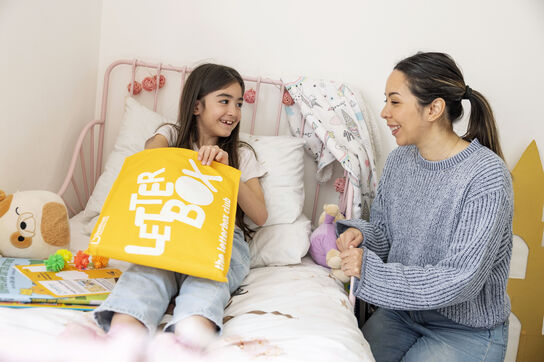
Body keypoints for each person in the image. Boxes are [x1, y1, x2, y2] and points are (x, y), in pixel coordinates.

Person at [337, 52, 512, 362]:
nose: (383, 112)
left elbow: (461, 280)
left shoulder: (487, 175)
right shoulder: (399, 160)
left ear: (433, 108)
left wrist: (372, 273)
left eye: (394, 101)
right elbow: (387, 236)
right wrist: (361, 236)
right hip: (403, 314)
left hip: (465, 329)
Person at [92, 63, 268, 350]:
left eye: (238, 104)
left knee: (208, 282)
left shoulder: (242, 155)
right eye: (224, 101)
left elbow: (260, 216)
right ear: (197, 106)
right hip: (170, 229)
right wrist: (187, 157)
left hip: (220, 240)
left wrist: (226, 174)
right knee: (147, 274)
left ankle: (183, 345)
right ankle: (121, 340)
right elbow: (148, 161)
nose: (234, 112)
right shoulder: (172, 136)